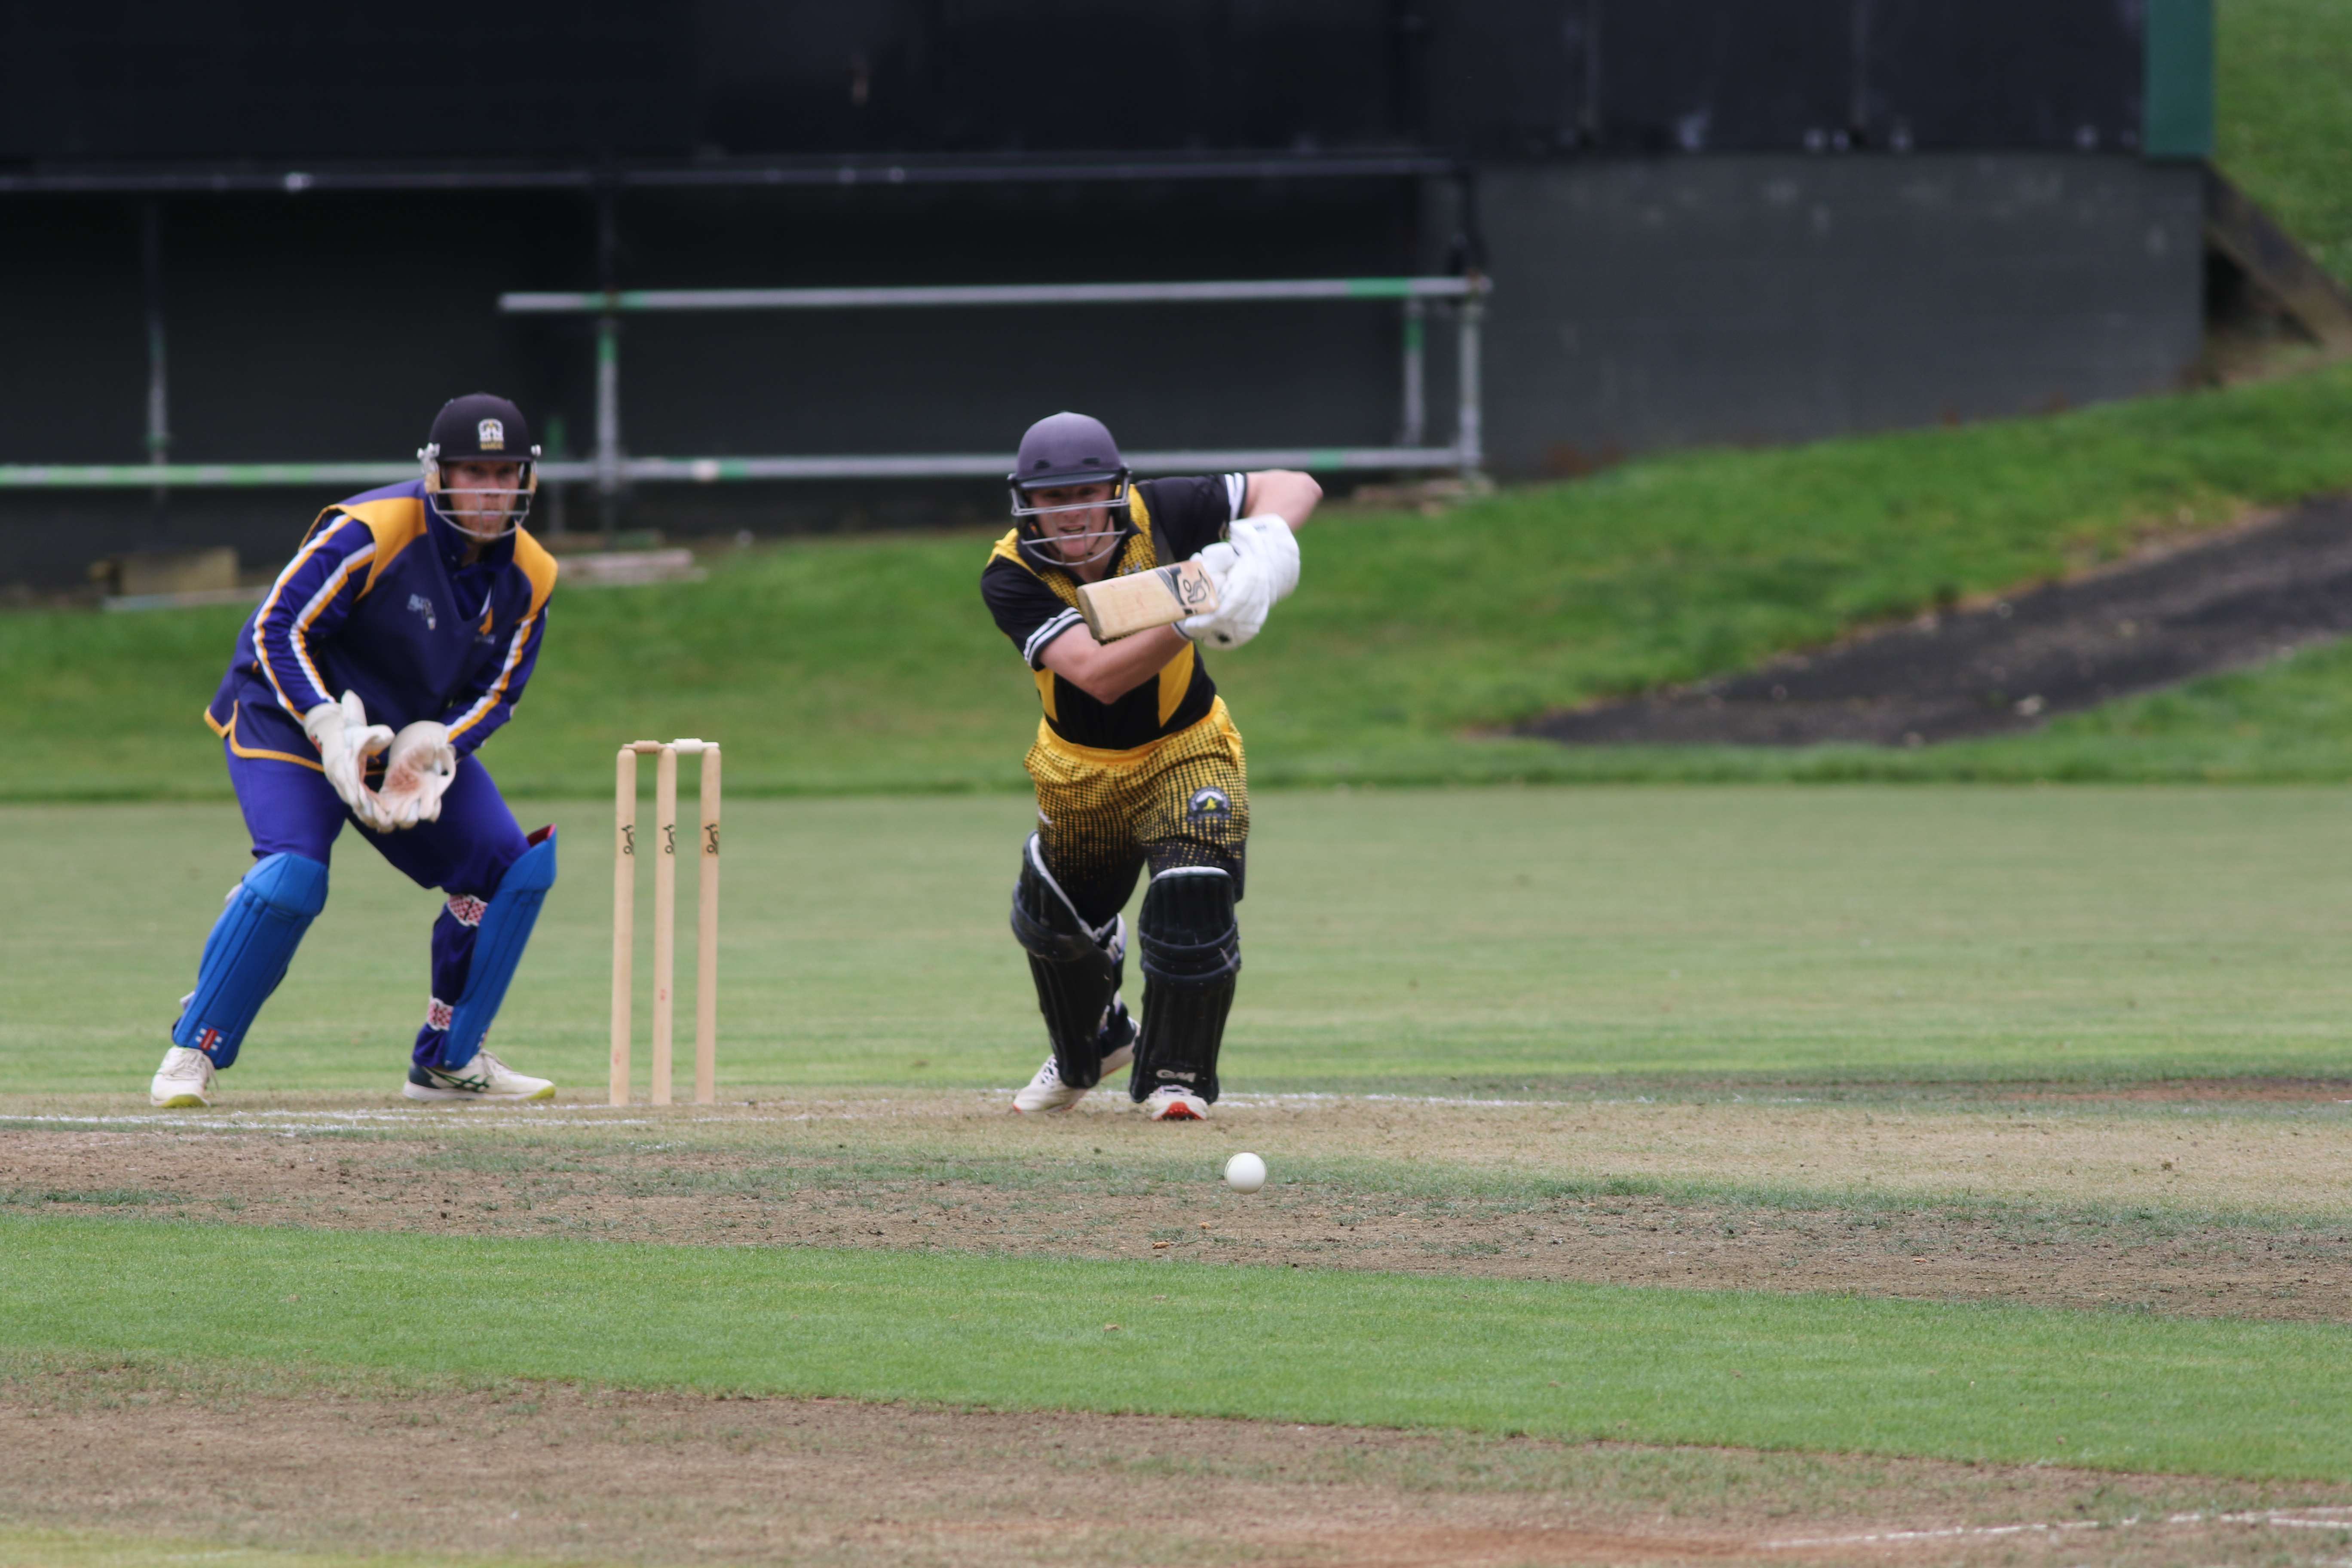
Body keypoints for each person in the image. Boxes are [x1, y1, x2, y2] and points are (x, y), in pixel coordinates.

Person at [149, 394, 564, 1108]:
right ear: (437, 474)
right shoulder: (372, 531)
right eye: (474, 472)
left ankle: (448, 1061)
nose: (491, 490)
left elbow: (499, 694)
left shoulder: (532, 575)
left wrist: (438, 746)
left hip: (399, 740)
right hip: (287, 720)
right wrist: (324, 725)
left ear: (527, 480)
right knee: (293, 878)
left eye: (505, 473)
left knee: (509, 871)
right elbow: (278, 628)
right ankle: (194, 1047)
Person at [980, 411, 1315, 1119]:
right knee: (1056, 924)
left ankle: (1177, 1078)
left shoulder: (1163, 509)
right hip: (1078, 766)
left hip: (1186, 747)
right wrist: (1193, 613)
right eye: (1052, 499)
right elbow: (1096, 676)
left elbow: (1295, 484)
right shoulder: (1011, 573)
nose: (1071, 513)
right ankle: (1095, 1045)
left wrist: (1264, 549)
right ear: (1027, 504)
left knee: (1193, 891)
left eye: (1085, 493)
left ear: (1116, 488)